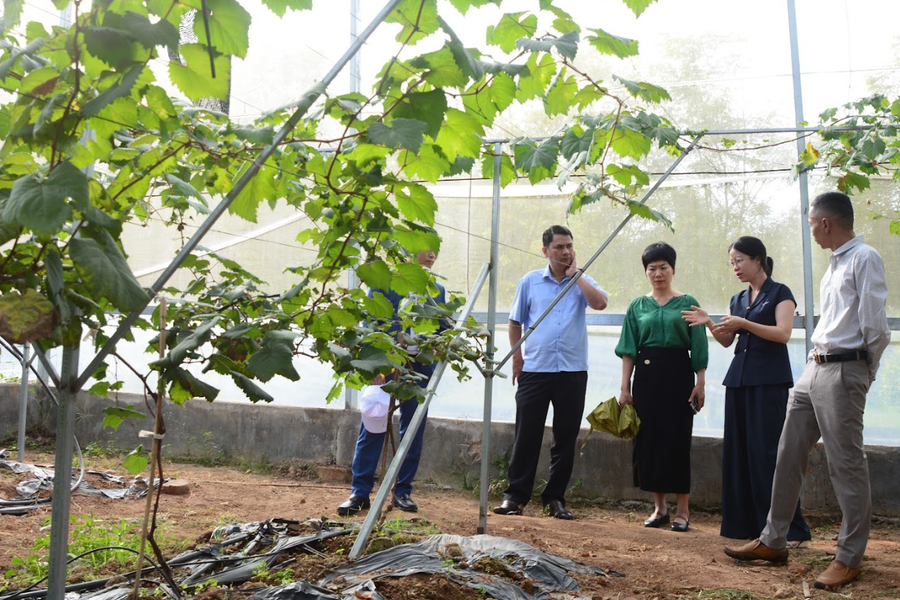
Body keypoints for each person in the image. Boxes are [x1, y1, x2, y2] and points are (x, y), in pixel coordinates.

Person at [723, 192, 890, 591]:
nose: (810, 229)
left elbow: (875, 326)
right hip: (814, 368)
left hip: (845, 369)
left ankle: (849, 558)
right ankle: (773, 540)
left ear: (826, 223)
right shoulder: (835, 264)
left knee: (845, 463)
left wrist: (864, 372)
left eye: (812, 222)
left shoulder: (865, 258)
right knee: (787, 453)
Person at [682, 237, 811, 545]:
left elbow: (782, 334)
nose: (735, 267)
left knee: (767, 454)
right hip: (739, 380)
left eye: (740, 260)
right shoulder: (738, 298)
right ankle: (745, 527)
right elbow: (728, 341)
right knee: (739, 454)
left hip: (769, 381)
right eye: (732, 262)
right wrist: (710, 324)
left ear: (758, 259)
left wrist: (744, 323)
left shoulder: (781, 293)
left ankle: (791, 531)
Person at [493, 225, 608, 520]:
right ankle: (515, 497)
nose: (566, 251)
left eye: (569, 245)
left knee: (565, 437)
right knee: (526, 435)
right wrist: (516, 357)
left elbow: (600, 302)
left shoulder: (581, 280)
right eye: (559, 247)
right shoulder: (530, 282)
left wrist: (577, 276)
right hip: (535, 369)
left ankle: (555, 499)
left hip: (572, 371)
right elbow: (515, 321)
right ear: (545, 251)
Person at [337, 249, 446, 516]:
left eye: (435, 250)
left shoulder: (437, 290)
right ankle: (359, 493)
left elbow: (442, 329)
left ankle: (402, 492)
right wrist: (376, 363)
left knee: (413, 430)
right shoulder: (383, 284)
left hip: (418, 368)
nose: (432, 255)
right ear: (408, 248)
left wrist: (438, 347)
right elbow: (371, 323)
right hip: (386, 365)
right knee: (373, 423)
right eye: (426, 248)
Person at [616, 242, 708, 533]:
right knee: (649, 441)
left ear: (673, 270)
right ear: (646, 272)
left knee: (678, 440)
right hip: (645, 378)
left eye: (663, 267)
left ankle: (683, 510)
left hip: (679, 376)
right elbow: (629, 349)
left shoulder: (688, 302)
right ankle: (659, 508)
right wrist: (624, 387)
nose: (658, 273)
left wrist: (700, 382)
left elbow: (699, 346)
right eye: (652, 268)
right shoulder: (636, 306)